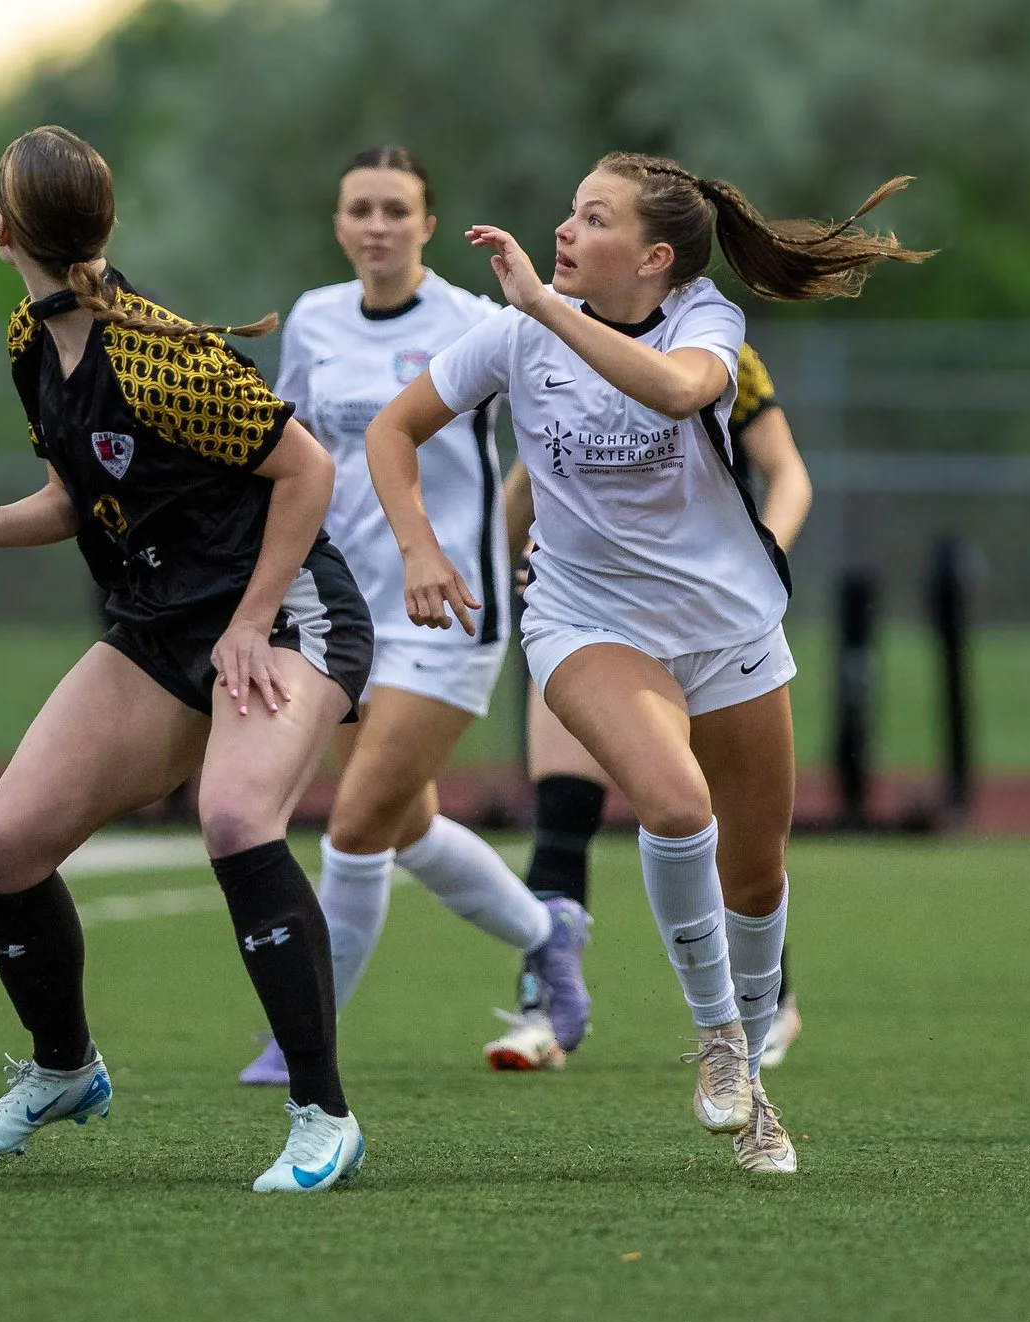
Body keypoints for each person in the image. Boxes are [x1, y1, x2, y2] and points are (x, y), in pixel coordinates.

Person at [366, 154, 923, 1174]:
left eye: (592, 216)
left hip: (728, 626)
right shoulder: (516, 330)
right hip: (585, 620)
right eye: (568, 209)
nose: (564, 229)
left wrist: (542, 302)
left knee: (754, 875)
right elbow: (391, 431)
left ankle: (752, 1070)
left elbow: (674, 392)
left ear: (655, 256)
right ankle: (717, 1039)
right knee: (674, 805)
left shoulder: (703, 322)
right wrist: (422, 546)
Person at [0, 125, 374, 1193]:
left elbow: (307, 469)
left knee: (235, 818)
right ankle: (64, 1068)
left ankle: (323, 1113)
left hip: (284, 616)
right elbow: (73, 497)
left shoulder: (160, 354)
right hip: (155, 626)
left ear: (3, 228)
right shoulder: (26, 339)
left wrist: (250, 618)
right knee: (2, 851)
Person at [235, 146, 590, 1089]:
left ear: (429, 224)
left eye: (398, 209)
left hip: (448, 611)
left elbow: (561, 420)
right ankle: (548, 933)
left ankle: (302, 1040)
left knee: (352, 830)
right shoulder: (313, 318)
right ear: (340, 223)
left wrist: (538, 533)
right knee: (403, 826)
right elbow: (293, 452)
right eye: (362, 209)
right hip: (343, 613)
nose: (378, 225)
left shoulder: (473, 320)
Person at [489, 339, 816, 1074]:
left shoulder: (719, 353)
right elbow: (527, 479)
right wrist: (488, 571)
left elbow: (788, 473)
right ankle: (545, 1005)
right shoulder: (557, 344)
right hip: (588, 617)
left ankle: (767, 1000)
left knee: (738, 838)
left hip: (706, 624)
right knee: (562, 811)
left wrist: (760, 560)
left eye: (601, 219)